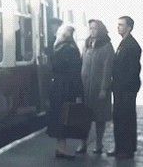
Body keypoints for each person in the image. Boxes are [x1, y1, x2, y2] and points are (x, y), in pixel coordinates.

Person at [46, 25, 83, 160]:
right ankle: (62, 148)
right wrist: (79, 92)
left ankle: (61, 147)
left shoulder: (59, 49)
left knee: (59, 117)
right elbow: (76, 73)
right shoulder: (71, 49)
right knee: (64, 117)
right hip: (66, 88)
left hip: (58, 87)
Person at [107, 16, 142, 160]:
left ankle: (127, 149)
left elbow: (133, 70)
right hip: (120, 88)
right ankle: (120, 146)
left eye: (121, 25)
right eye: (118, 25)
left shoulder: (132, 45)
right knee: (119, 118)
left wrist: (124, 86)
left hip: (126, 89)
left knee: (126, 118)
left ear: (129, 27)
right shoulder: (123, 43)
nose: (118, 27)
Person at [78, 19, 114, 155]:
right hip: (85, 86)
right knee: (84, 117)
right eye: (90, 28)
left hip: (99, 88)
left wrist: (104, 88)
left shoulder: (106, 46)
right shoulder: (86, 44)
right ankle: (83, 143)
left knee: (100, 118)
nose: (92, 31)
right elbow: (82, 63)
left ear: (101, 30)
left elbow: (107, 69)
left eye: (95, 28)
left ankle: (99, 144)